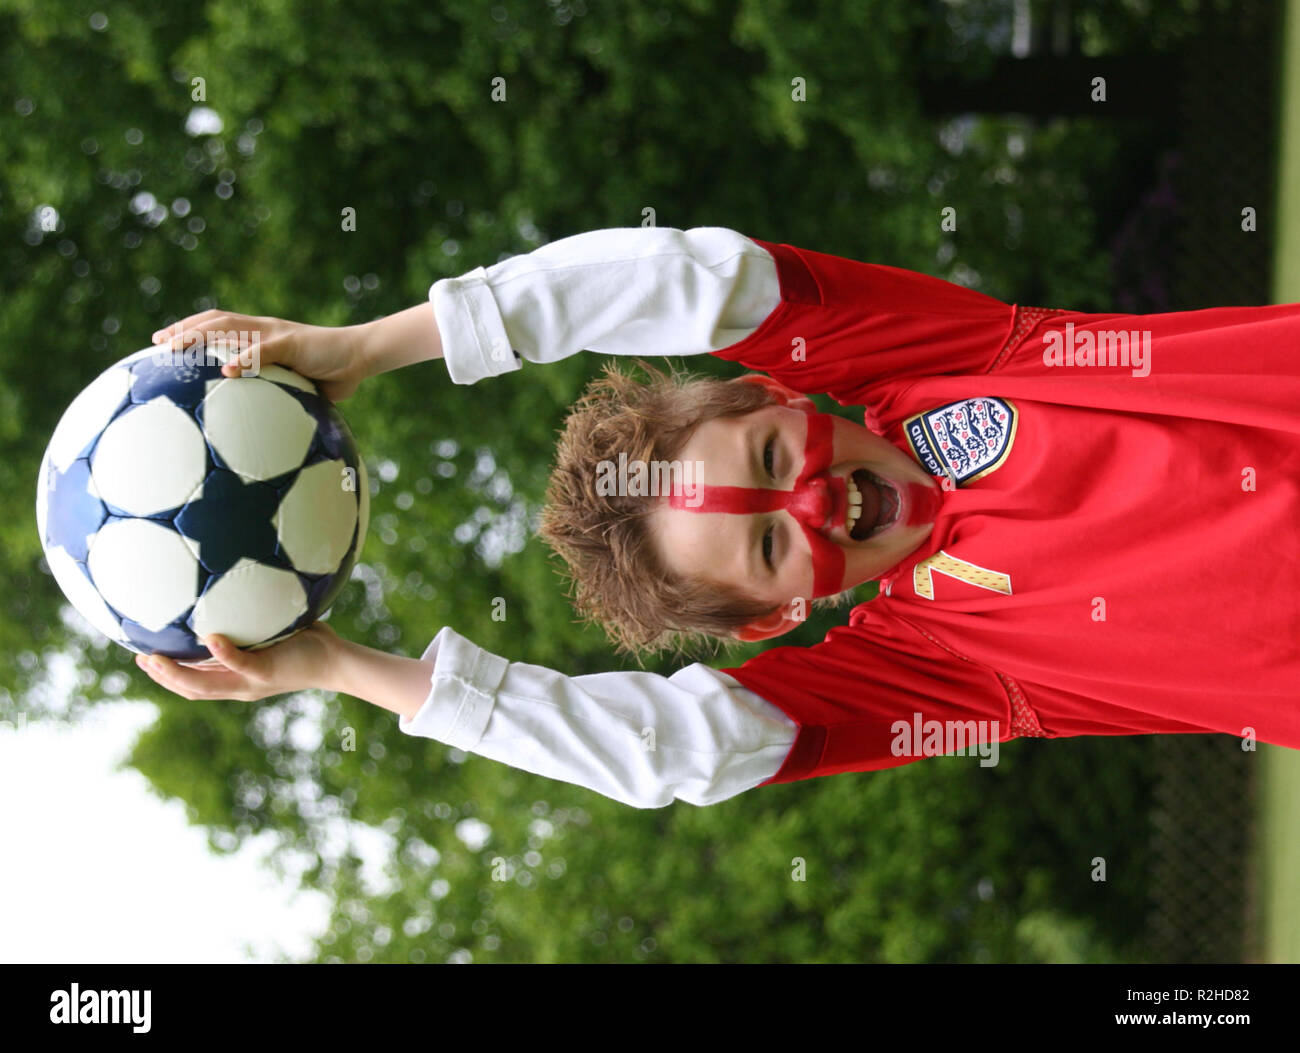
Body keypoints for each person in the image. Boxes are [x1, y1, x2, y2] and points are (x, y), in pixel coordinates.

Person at [135, 226, 1300, 808]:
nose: (815, 496)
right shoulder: (935, 671)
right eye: (769, 541)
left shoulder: (939, 360)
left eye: (772, 455)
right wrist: (347, 667)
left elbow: (682, 277)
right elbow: (674, 754)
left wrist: (375, 346)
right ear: (769, 618)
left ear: (779, 391)